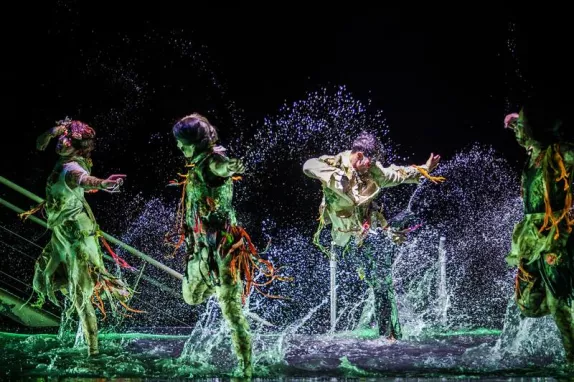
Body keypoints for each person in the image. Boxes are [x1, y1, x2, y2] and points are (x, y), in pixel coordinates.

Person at [167, 113, 286, 377]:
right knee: (191, 296)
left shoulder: (212, 162)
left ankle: (246, 368)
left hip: (224, 249)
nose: (178, 147)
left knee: (231, 312)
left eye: (181, 142)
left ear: (194, 143)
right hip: (203, 249)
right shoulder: (201, 162)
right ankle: (216, 288)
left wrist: (230, 167)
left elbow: (221, 168)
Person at [303, 131, 443, 338]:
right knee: (368, 279)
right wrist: (336, 178)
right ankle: (382, 333)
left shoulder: (372, 170)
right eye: (370, 160)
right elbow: (308, 166)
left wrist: (423, 169)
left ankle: (390, 336)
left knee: (382, 281)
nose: (372, 165)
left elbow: (394, 175)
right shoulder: (335, 164)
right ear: (359, 155)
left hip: (366, 234)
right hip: (342, 237)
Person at [25, 117, 139, 356]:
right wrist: (53, 130)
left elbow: (84, 180)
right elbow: (39, 144)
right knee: (51, 277)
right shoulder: (64, 158)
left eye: (68, 140)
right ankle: (100, 291)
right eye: (63, 137)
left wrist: (104, 184)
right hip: (63, 231)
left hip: (76, 234)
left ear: (77, 148)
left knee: (79, 294)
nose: (63, 142)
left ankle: (93, 352)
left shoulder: (71, 167)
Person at [504, 100, 574, 363]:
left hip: (556, 236)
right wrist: (515, 122)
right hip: (532, 237)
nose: (518, 131)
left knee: (559, 301)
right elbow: (521, 135)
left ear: (536, 129)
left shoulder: (558, 152)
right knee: (528, 303)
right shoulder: (534, 153)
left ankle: (572, 359)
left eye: (522, 126)